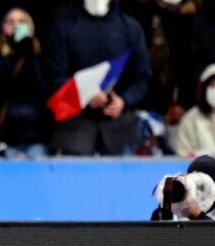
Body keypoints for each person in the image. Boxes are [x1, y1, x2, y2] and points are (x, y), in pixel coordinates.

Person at [44, 0, 152, 156]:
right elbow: (55, 74)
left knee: (124, 177)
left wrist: (124, 100)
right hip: (75, 125)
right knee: (73, 177)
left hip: (120, 126)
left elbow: (143, 76)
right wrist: (85, 95)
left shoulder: (130, 27)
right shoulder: (65, 26)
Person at [0, 7, 50, 158]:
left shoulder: (39, 54)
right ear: (2, 26)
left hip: (34, 134)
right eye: (10, 22)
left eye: (22, 21)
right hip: (6, 133)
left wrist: (29, 57)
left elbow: (43, 92)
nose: (16, 26)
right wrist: (14, 57)